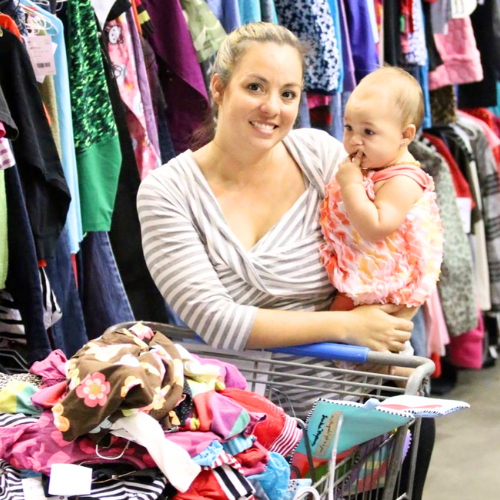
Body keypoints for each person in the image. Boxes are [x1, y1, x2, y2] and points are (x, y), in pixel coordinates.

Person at [137, 23, 431, 499]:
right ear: (218, 88)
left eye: (289, 93)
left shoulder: (318, 155)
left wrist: (392, 334)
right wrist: (346, 328)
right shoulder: (166, 192)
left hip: (347, 411)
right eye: (255, 87)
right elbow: (217, 320)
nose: (273, 108)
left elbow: (396, 249)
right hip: (236, 427)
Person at [319, 67, 444, 355]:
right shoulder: (376, 166)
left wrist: (350, 185)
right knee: (348, 335)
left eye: (369, 131)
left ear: (405, 135)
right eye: (349, 127)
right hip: (366, 277)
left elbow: (375, 226)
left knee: (375, 345)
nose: (354, 140)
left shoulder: (402, 179)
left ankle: (399, 384)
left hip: (387, 285)